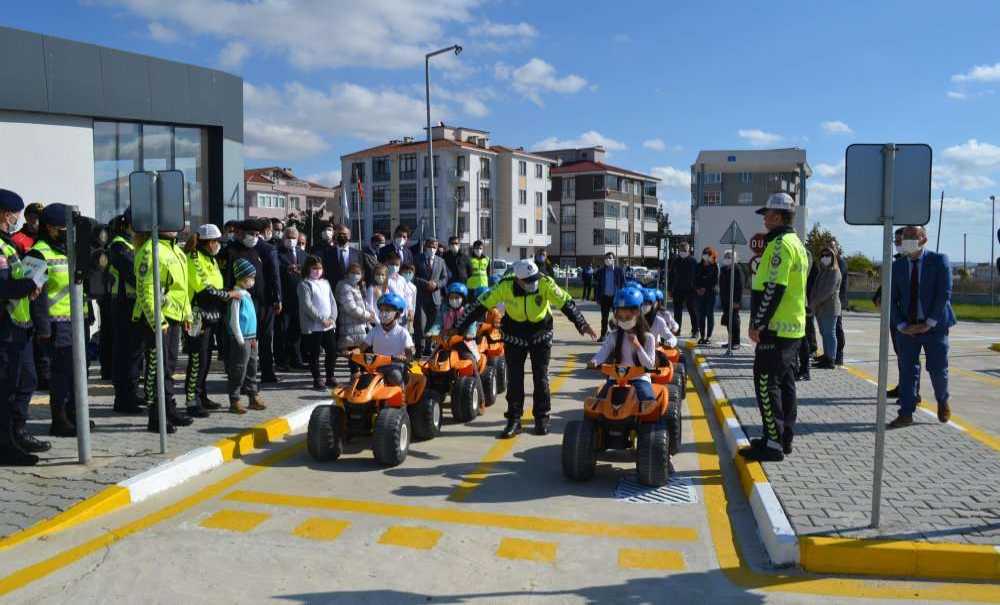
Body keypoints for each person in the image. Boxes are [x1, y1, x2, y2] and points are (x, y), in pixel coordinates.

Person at [453, 259, 596, 438]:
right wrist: (458, 327)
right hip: (515, 334)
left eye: (535, 278)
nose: (533, 283)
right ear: (518, 280)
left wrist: (582, 324)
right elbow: (479, 305)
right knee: (515, 379)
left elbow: (566, 302)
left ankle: (542, 418)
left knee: (541, 377)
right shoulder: (504, 286)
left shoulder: (545, 283)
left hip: (541, 333)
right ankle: (514, 420)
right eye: (529, 280)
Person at [740, 192, 808, 462]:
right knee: (785, 385)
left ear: (778, 217)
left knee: (767, 385)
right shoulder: (797, 243)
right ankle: (782, 437)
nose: (764, 219)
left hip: (776, 329)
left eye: (767, 214)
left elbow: (773, 288)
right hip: (792, 329)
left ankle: (773, 444)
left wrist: (758, 323)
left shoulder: (780, 245)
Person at [887, 225, 955, 429]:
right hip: (908, 328)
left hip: (935, 327)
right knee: (907, 370)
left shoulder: (939, 260)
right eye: (904, 236)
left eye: (912, 236)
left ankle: (942, 400)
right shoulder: (897, 266)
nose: (906, 239)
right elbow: (891, 298)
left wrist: (929, 323)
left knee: (937, 369)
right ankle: (906, 413)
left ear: (923, 239)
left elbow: (944, 293)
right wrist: (901, 324)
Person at [131, 218, 193, 434]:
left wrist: (187, 314)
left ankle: (169, 408)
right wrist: (158, 321)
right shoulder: (150, 250)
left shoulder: (176, 250)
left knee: (168, 367)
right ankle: (155, 416)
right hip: (157, 320)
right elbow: (145, 291)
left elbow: (181, 289)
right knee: (156, 369)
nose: (174, 227)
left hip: (175, 317)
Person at [0, 190, 48, 466]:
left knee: (24, 381)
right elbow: (3, 286)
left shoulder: (8, 245)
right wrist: (29, 285)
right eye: (12, 214)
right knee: (6, 389)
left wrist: (30, 284)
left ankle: (15, 434)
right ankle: (5, 446)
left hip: (19, 326)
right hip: (5, 328)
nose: (15, 219)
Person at [183, 224, 235, 417]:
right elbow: (204, 288)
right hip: (197, 316)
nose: (218, 245)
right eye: (216, 242)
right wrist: (228, 295)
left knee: (205, 360)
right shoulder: (194, 258)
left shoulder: (209, 259)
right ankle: (191, 400)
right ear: (208, 242)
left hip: (211, 316)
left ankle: (201, 395)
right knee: (197, 360)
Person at [587, 287, 657, 408]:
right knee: (597, 404)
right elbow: (603, 352)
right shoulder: (613, 336)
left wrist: (638, 345)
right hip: (617, 378)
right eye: (620, 315)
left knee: (649, 403)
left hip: (639, 378)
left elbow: (650, 365)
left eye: (628, 315)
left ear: (638, 312)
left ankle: (656, 426)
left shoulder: (648, 337)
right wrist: (594, 361)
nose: (624, 318)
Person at [876, 228, 920, 401]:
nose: (898, 244)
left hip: (909, 316)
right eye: (896, 241)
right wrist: (879, 296)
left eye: (900, 241)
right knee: (901, 354)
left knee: (909, 357)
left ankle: (912, 392)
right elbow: (889, 284)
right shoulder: (897, 263)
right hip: (896, 316)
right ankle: (904, 386)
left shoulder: (914, 262)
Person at [107, 211, 144, 414]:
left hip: (134, 303)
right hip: (123, 304)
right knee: (125, 353)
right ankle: (124, 398)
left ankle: (132, 392)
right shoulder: (119, 245)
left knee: (135, 353)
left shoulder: (135, 243)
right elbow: (134, 273)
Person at [226, 259, 266, 414]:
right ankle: (234, 400)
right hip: (241, 339)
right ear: (241, 278)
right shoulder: (237, 296)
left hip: (251, 338)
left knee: (252, 368)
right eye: (251, 278)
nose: (253, 281)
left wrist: (254, 338)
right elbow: (234, 320)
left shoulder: (247, 295)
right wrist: (240, 339)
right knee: (238, 369)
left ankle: (252, 396)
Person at [298, 256, 339, 389]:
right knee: (314, 353)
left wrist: (332, 318)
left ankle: (330, 376)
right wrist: (322, 319)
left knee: (332, 350)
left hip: (328, 325)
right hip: (313, 326)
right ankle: (317, 378)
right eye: (314, 268)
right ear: (308, 269)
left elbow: (332, 302)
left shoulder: (325, 283)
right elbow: (307, 306)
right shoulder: (304, 284)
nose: (317, 271)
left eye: (319, 268)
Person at [252, 218, 283, 383]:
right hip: (266, 300)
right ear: (267, 230)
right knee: (265, 338)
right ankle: (267, 373)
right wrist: (278, 298)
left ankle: (247, 374)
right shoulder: (269, 248)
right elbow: (274, 275)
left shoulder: (245, 247)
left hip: (248, 299)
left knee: (249, 338)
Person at [362, 292, 414, 388]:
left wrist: (406, 356)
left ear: (397, 315)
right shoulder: (375, 330)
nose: (383, 313)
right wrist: (350, 353)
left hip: (395, 366)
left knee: (395, 376)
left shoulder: (402, 332)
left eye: (387, 310)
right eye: (381, 310)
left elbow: (410, 353)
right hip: (376, 366)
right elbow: (362, 347)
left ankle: (401, 400)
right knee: (362, 379)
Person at [335, 261, 374, 378]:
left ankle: (362, 379)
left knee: (361, 356)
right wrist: (367, 315)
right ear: (347, 273)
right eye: (353, 272)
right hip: (350, 326)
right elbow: (351, 308)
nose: (355, 275)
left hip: (359, 327)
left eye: (358, 273)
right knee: (355, 356)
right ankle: (356, 381)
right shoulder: (344, 286)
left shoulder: (357, 286)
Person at [276, 225, 307, 370]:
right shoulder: (277, 253)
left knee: (296, 332)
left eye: (294, 238)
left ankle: (297, 360)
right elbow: (274, 274)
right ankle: (282, 361)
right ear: (283, 238)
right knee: (283, 332)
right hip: (284, 299)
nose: (291, 240)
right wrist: (286, 269)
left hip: (299, 299)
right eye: (288, 237)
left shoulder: (303, 254)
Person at [808, 247, 842, 370]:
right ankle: (826, 356)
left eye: (828, 255)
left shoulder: (835, 272)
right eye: (823, 255)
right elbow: (815, 288)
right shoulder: (823, 271)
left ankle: (831, 359)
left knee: (830, 333)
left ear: (833, 257)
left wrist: (814, 303)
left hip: (830, 308)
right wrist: (812, 302)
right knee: (824, 333)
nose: (825, 258)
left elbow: (827, 291)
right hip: (820, 308)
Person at [413, 238, 446, 356]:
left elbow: (444, 278)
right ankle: (419, 348)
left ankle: (428, 347)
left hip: (435, 297)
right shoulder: (417, 259)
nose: (432, 249)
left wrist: (437, 285)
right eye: (430, 246)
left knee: (432, 325)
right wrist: (426, 283)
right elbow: (413, 276)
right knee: (420, 324)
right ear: (425, 246)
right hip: (421, 296)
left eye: (435, 247)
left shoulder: (441, 261)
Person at [668, 242, 699, 337]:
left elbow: (697, 276)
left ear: (688, 250)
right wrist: (669, 289)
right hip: (677, 290)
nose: (683, 252)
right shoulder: (675, 261)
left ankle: (695, 331)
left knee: (692, 311)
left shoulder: (693, 261)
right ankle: (677, 331)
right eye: (681, 250)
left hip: (691, 290)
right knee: (677, 312)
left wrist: (696, 287)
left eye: (684, 250)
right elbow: (671, 276)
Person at [594, 252, 625, 339]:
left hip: (615, 298)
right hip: (604, 297)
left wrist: (622, 297)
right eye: (606, 258)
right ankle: (603, 335)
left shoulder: (619, 271)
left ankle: (619, 335)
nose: (608, 260)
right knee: (604, 318)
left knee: (618, 318)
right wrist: (597, 297)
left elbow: (623, 284)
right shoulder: (601, 271)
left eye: (610, 258)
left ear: (614, 259)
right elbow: (597, 285)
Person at [718, 250, 743, 350]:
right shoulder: (723, 269)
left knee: (734, 321)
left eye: (730, 257)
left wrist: (737, 301)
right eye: (726, 256)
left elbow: (740, 286)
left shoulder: (737, 269)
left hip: (734, 300)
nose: (727, 258)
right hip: (725, 299)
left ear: (734, 258)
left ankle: (736, 342)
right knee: (728, 321)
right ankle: (730, 341)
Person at [694, 246, 719, 345]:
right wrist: (697, 289)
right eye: (704, 254)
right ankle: (702, 336)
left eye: (708, 254)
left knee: (709, 314)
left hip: (710, 293)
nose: (705, 256)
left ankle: (708, 336)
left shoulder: (715, 266)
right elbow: (694, 279)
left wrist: (705, 288)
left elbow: (715, 281)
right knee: (701, 315)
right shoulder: (698, 265)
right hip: (700, 294)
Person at [835, 244, 848, 366]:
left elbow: (837, 278)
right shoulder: (829, 262)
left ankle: (839, 355)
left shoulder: (841, 263)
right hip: (831, 302)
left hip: (838, 300)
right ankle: (832, 353)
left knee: (837, 327)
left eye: (832, 247)